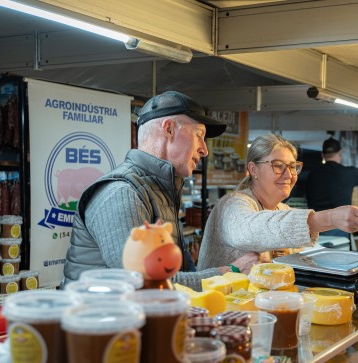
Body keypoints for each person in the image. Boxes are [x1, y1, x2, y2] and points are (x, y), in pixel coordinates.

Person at [64, 91, 259, 289]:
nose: (204, 150)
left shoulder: (160, 190)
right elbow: (143, 283)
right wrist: (229, 272)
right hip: (98, 317)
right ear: (169, 129)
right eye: (199, 135)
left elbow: (168, 273)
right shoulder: (122, 192)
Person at [197, 133, 358, 270]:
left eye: (292, 167)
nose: (289, 175)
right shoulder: (232, 204)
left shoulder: (281, 209)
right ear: (254, 169)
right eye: (278, 165)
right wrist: (329, 218)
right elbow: (251, 230)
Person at [304, 136, 358, 239]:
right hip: (340, 225)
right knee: (340, 253)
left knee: (316, 254)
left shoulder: (312, 174)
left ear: (323, 155)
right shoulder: (350, 173)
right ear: (340, 153)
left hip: (316, 224)